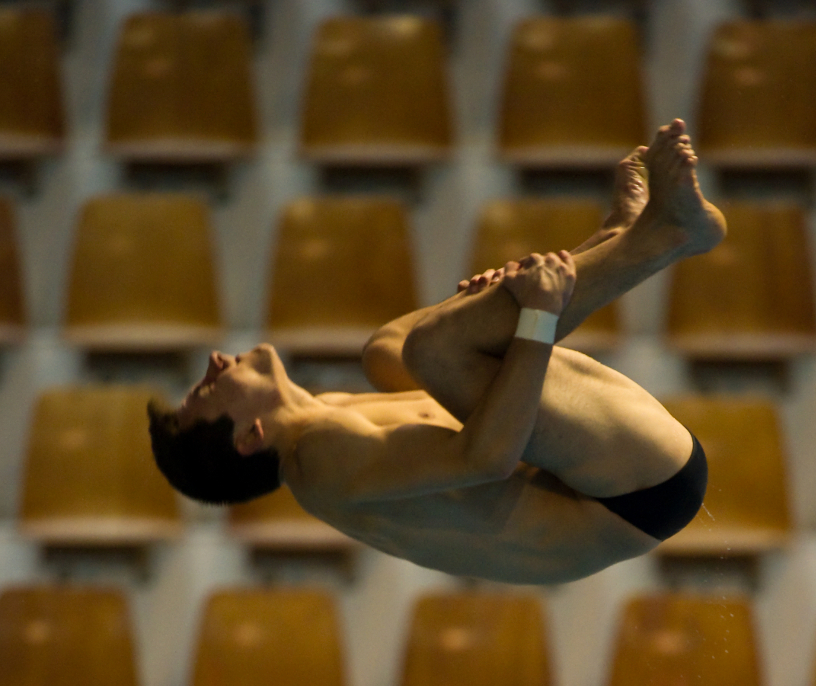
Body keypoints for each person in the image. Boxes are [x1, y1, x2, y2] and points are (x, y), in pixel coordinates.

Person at [148, 119, 726, 585]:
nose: (214, 364)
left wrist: (494, 322)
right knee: (435, 348)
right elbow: (487, 459)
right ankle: (665, 235)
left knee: (389, 352)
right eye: (204, 392)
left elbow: (509, 416)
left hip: (605, 474)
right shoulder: (316, 460)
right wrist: (533, 319)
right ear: (249, 436)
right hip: (631, 493)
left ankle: (614, 242)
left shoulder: (325, 420)